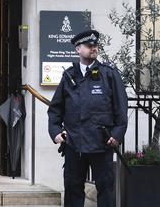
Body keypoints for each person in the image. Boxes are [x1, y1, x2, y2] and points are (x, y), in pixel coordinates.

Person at [47, 29, 128, 207]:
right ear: (78, 49)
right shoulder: (69, 76)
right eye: (89, 45)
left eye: (95, 45)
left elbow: (121, 108)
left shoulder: (109, 74)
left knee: (105, 188)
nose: (94, 48)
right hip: (74, 144)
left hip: (102, 143)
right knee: (73, 187)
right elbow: (55, 110)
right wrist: (56, 133)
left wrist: (117, 134)